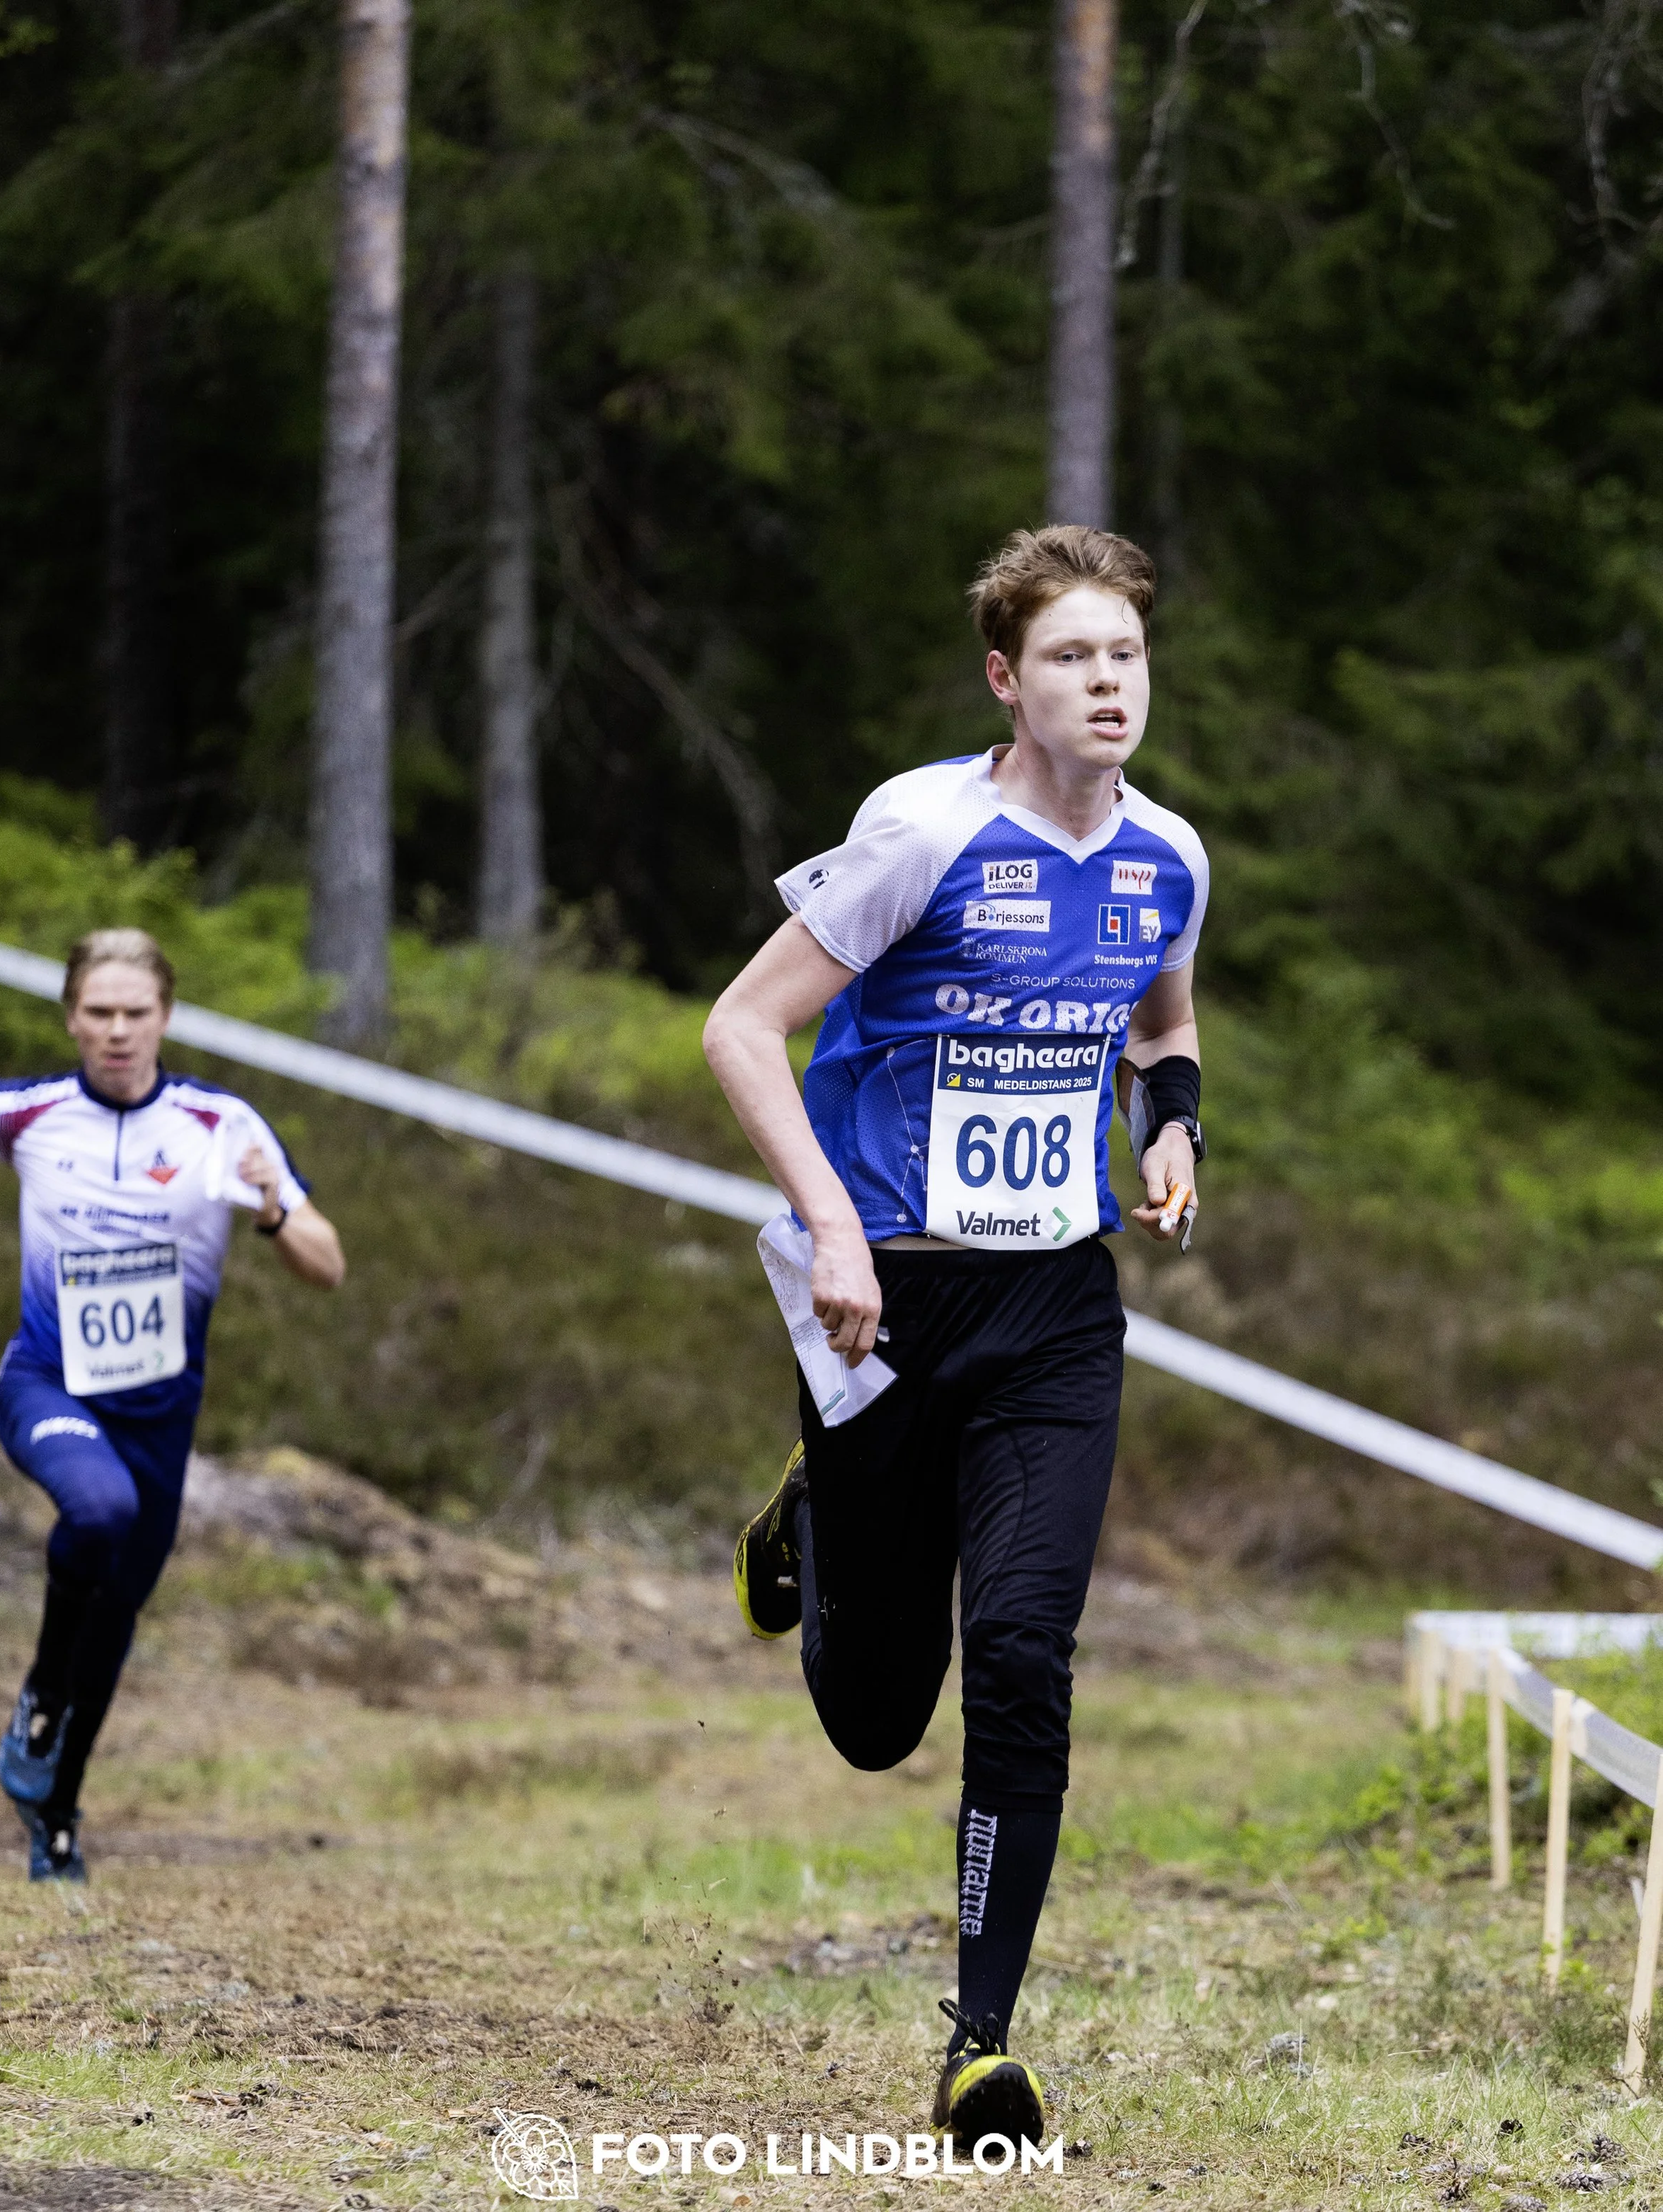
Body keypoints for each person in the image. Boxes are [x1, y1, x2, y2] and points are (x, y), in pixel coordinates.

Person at [703, 526, 1207, 2148]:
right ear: (1006, 678)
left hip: (1057, 1310)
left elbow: (1162, 1020)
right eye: (1069, 656)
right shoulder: (920, 834)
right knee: (873, 1718)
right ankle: (810, 1499)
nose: (1104, 681)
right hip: (884, 1300)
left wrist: (1171, 1127)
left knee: (1020, 1655)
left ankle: (977, 2041)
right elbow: (741, 1025)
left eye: (1122, 654)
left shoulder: (1168, 859)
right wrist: (832, 1223)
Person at [0, 928, 346, 1881]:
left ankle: (56, 1812)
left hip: (161, 1418)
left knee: (114, 1619)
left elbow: (329, 1263)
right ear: (72, 1017)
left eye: (136, 1013)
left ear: (166, 1018)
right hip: (47, 1383)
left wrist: (275, 1209)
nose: (117, 1032)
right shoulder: (29, 1112)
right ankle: (37, 1698)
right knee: (97, 1510)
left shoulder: (219, 1125)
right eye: (100, 1013)